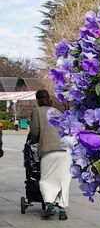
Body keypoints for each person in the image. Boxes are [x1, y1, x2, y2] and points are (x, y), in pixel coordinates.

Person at [28, 89, 71, 220]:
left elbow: (34, 132)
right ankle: (62, 210)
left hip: (48, 150)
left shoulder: (37, 111)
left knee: (47, 179)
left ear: (38, 100)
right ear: (49, 99)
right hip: (65, 150)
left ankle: (49, 206)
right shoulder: (57, 112)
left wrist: (34, 140)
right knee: (63, 180)